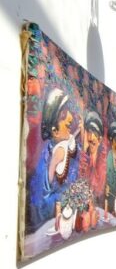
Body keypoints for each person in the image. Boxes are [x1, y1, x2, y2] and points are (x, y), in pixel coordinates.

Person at [27, 88, 79, 232]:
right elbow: (38, 207)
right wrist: (53, 165)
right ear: (54, 130)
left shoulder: (73, 147)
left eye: (68, 112)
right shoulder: (45, 159)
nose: (70, 118)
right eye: (63, 115)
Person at [79, 111, 107, 209]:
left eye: (93, 142)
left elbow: (98, 190)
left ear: (99, 140)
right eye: (89, 142)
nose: (90, 146)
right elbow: (80, 181)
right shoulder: (85, 158)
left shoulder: (102, 163)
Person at [105, 121, 116, 217]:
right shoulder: (109, 156)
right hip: (110, 194)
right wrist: (106, 186)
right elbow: (107, 174)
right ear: (113, 141)